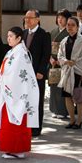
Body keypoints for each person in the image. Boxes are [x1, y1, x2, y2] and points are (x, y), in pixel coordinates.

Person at [0, 27, 39, 159]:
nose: (8, 38)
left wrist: (4, 79)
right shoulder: (12, 51)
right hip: (10, 92)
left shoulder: (20, 53)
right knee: (9, 121)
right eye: (7, 36)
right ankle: (11, 149)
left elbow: (17, 75)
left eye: (11, 36)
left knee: (16, 121)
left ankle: (17, 149)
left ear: (19, 38)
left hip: (17, 93)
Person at [58, 17, 82, 129]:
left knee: (79, 98)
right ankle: (72, 120)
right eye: (68, 25)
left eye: (72, 25)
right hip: (67, 72)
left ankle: (79, 121)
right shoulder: (64, 41)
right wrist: (66, 62)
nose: (70, 27)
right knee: (68, 97)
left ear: (77, 27)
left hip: (78, 72)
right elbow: (60, 55)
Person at [22, 9, 51, 137]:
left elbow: (46, 54)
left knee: (37, 101)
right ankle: (26, 125)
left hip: (37, 73)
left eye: (30, 18)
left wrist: (41, 71)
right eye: (26, 18)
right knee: (25, 99)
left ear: (37, 19)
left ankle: (36, 128)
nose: (27, 20)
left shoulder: (43, 34)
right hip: (24, 74)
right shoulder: (23, 33)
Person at [48, 9, 71, 119]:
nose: (60, 19)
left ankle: (63, 110)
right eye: (58, 17)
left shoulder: (69, 32)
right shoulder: (53, 32)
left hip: (64, 64)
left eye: (62, 17)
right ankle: (54, 109)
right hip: (53, 64)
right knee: (53, 87)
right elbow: (48, 48)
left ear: (67, 19)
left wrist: (60, 60)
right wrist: (50, 58)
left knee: (63, 88)